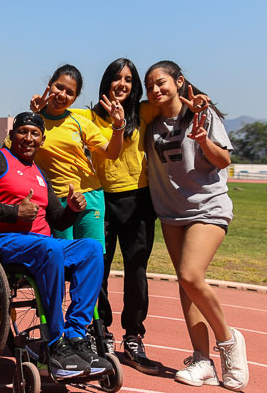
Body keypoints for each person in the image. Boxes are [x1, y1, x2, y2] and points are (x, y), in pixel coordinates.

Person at [0, 111, 112, 379]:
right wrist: (13, 213)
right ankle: (54, 341)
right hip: (3, 241)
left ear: (42, 140)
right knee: (49, 249)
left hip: (42, 244)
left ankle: (75, 336)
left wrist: (72, 210)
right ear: (12, 134)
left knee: (92, 249)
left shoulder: (39, 173)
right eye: (23, 132)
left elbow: (57, 220)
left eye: (35, 133)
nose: (28, 138)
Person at [144, 60, 249, 391]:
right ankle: (202, 360)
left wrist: (203, 140)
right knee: (185, 284)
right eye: (150, 86)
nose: (155, 90)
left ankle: (230, 343)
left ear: (179, 81)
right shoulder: (152, 126)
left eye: (161, 82)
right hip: (172, 214)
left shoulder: (200, 115)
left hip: (208, 208)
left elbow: (224, 160)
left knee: (190, 275)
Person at [68, 58, 160, 374]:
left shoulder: (145, 112)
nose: (122, 84)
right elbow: (56, 109)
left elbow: (178, 97)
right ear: (106, 82)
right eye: (116, 78)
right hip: (101, 201)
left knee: (137, 271)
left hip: (138, 201)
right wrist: (39, 103)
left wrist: (196, 97)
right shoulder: (87, 116)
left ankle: (133, 336)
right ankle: (101, 332)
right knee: (99, 270)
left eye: (129, 79)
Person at [27, 64, 125, 253]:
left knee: (91, 255)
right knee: (61, 258)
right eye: (59, 87)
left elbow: (112, 153)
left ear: (75, 98)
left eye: (70, 92)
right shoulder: (34, 121)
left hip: (89, 195)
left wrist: (118, 125)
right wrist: (34, 113)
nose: (62, 95)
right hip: (55, 201)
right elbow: (11, 148)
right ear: (49, 85)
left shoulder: (80, 123)